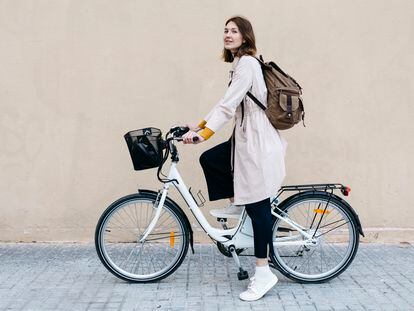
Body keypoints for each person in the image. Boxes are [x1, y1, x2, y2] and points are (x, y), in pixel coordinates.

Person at [182, 16, 287, 301]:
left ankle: (263, 273)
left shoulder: (249, 64)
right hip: (244, 137)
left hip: (256, 142)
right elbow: (225, 102)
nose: (228, 35)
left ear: (245, 36)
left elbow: (228, 107)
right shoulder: (239, 64)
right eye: (225, 31)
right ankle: (240, 208)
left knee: (259, 207)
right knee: (212, 160)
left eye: (234, 31)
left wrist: (203, 134)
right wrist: (199, 125)